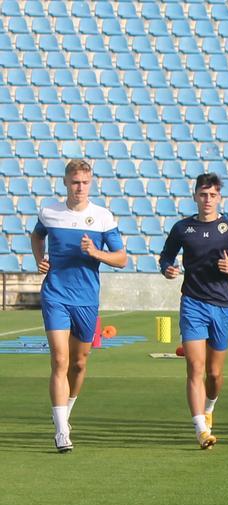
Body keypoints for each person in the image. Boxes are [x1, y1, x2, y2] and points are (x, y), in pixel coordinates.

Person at [31, 159, 127, 452]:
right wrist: (39, 258)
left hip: (86, 299)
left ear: (91, 183)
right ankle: (62, 432)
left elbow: (121, 258)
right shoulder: (50, 212)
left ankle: (64, 412)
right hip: (55, 294)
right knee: (60, 360)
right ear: (65, 182)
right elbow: (37, 236)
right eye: (75, 182)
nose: (80, 188)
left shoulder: (102, 217)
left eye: (85, 182)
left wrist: (96, 252)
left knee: (79, 362)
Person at [158, 173, 228, 448]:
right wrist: (167, 268)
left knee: (214, 373)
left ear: (219, 198)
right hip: (192, 302)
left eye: (213, 195)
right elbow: (166, 256)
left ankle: (209, 407)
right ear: (195, 196)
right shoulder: (182, 228)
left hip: (222, 305)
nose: (208, 199)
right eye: (203, 194)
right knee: (195, 367)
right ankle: (200, 428)